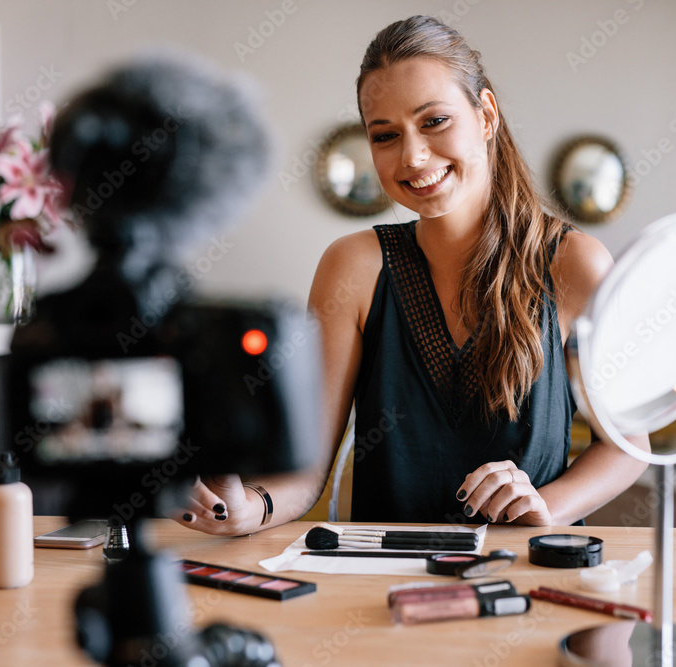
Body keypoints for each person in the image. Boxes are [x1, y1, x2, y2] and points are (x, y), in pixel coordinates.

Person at [175, 15, 649, 534]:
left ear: (486, 114)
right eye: (385, 135)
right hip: (382, 590)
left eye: (434, 121)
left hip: (528, 583)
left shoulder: (574, 264)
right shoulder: (352, 266)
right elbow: (308, 471)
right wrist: (249, 507)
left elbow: (628, 447)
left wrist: (546, 507)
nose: (413, 156)